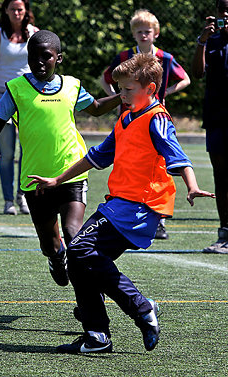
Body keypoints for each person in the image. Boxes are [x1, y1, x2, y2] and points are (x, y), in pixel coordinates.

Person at [27, 53, 214, 353]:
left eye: (127, 90)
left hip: (139, 207)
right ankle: (97, 336)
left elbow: (178, 157)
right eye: (119, 89)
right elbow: (96, 156)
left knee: (79, 249)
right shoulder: (126, 118)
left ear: (150, 90)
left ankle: (141, 306)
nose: (121, 96)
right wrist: (57, 180)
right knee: (78, 259)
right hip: (119, 205)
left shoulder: (158, 119)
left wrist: (192, 186)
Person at [0, 30, 122, 288]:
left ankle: (89, 300)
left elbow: (97, 109)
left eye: (47, 56)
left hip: (71, 172)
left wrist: (124, 97)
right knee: (49, 243)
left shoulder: (72, 86)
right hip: (35, 180)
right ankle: (56, 257)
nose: (40, 62)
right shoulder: (17, 89)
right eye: (34, 57)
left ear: (59, 58)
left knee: (74, 235)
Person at [100, 9, 191, 240]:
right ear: (133, 34)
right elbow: (105, 77)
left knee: (160, 164)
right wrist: (115, 96)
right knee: (124, 161)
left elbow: (186, 78)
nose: (143, 35)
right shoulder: (124, 57)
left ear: (156, 34)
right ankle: (124, 207)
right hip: (128, 117)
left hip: (152, 117)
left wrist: (166, 92)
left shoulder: (165, 58)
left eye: (147, 31)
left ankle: (157, 216)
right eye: (138, 31)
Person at [0, 0, 39, 215]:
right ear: (6, 11)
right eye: (13, 9)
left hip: (27, 96)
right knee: (6, 153)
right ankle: (8, 201)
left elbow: (43, 65)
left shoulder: (35, 34)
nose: (16, 12)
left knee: (27, 151)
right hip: (0, 95)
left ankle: (23, 196)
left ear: (26, 12)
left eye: (20, 9)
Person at [192, 0, 228, 254]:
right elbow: (197, 73)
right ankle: (224, 234)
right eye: (222, 9)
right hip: (217, 117)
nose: (225, 14)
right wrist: (202, 41)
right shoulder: (212, 41)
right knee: (221, 176)